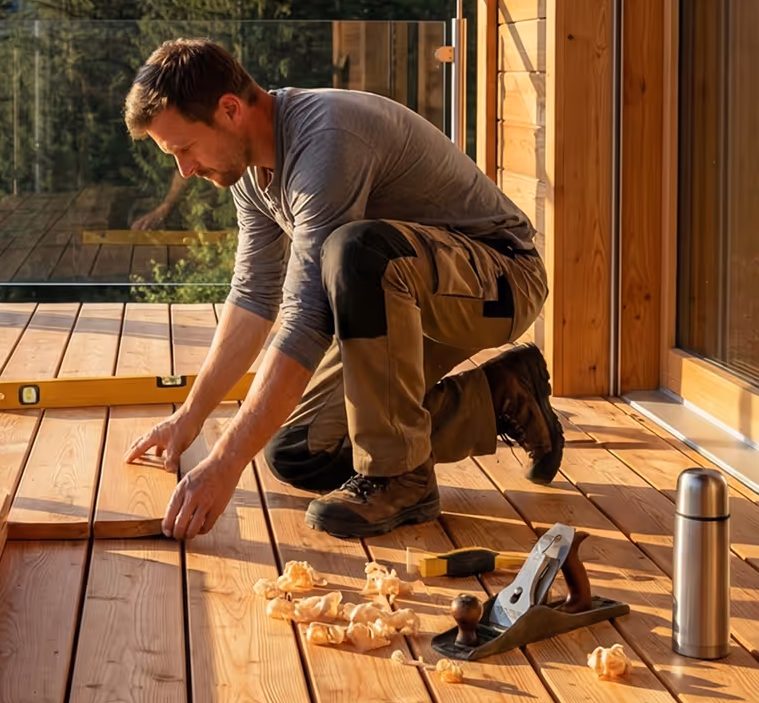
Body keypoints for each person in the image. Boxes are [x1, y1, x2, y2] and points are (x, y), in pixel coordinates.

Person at [122, 37, 561, 543]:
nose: (185, 169)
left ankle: (402, 479)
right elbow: (253, 297)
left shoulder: (326, 140)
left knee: (355, 250)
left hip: (500, 280)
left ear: (229, 110)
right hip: (405, 299)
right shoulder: (248, 173)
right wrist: (189, 418)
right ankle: (500, 395)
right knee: (299, 450)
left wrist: (224, 464)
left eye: (184, 148)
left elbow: (307, 318)